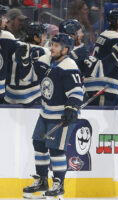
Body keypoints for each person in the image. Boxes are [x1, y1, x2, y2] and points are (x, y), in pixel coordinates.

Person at [18, 33, 83, 198]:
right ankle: (42, 181)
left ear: (65, 49)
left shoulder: (69, 66)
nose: (51, 47)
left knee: (55, 150)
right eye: (52, 44)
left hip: (60, 115)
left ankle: (58, 184)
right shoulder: (45, 60)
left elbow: (76, 92)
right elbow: (27, 78)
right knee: (39, 144)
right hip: (45, 112)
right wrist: (24, 62)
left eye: (56, 45)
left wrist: (72, 108)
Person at [5, 22, 50, 105]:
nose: (45, 38)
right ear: (36, 37)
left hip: (9, 96)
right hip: (31, 98)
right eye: (44, 35)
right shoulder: (43, 51)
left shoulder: (14, 44)